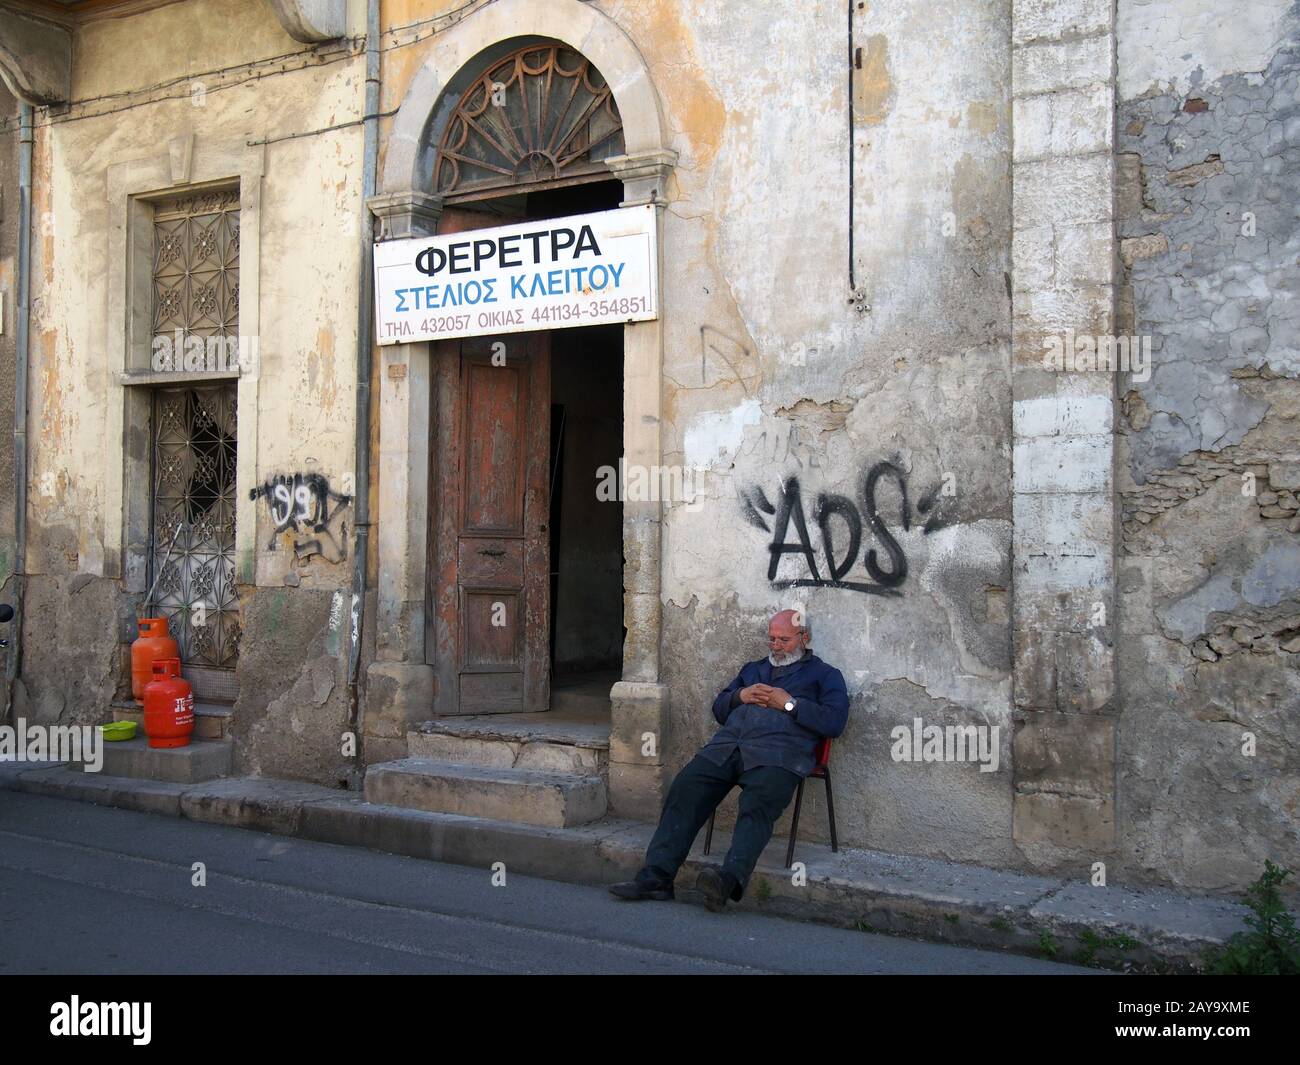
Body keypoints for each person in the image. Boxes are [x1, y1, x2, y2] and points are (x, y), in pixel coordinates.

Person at [609, 609, 849, 911]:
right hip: (727, 749)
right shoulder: (753, 669)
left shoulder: (825, 675)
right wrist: (741, 696)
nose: (775, 646)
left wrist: (788, 703)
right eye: (772, 639)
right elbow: (720, 708)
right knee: (686, 787)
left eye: (784, 640)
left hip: (778, 756)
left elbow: (835, 722)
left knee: (757, 804)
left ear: (804, 638)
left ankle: (727, 881)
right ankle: (656, 878)